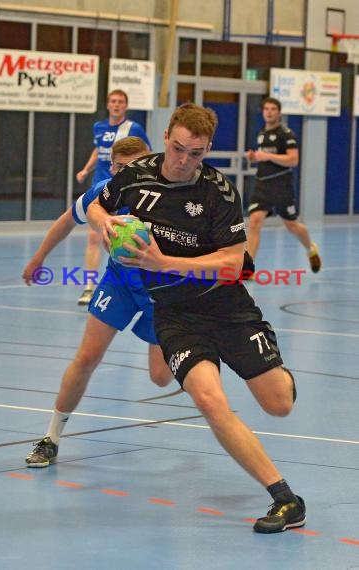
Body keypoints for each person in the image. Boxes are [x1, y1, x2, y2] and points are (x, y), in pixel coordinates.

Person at [86, 102, 306, 534]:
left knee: (278, 404)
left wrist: (161, 261)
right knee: (209, 400)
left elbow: (231, 261)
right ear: (167, 136)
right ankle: (285, 499)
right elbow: (96, 205)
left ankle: (278, 372)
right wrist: (106, 224)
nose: (185, 161)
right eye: (178, 148)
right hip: (174, 315)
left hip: (226, 306)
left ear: (207, 150)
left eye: (197, 153)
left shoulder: (218, 192)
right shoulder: (136, 174)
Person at [24, 137, 173, 469]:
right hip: (119, 282)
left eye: (131, 167)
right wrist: (38, 258)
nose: (123, 174)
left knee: (161, 377)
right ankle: (51, 439)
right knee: (87, 356)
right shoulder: (106, 192)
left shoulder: (169, 197)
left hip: (161, 292)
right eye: (118, 168)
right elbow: (66, 221)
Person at [75, 89, 152, 306]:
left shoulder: (133, 129)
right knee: (93, 237)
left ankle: (133, 283)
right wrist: (86, 169)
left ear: (125, 106)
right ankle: (89, 287)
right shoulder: (98, 127)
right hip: (103, 185)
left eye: (120, 102)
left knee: (123, 235)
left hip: (125, 190)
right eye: (113, 101)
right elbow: (97, 150)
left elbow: (146, 154)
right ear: (108, 105)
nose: (116, 105)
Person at [246, 96, 321, 273]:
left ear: (279, 113)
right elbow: (265, 158)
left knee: (291, 225)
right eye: (266, 109)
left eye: (273, 109)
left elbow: (293, 160)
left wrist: (267, 156)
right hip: (262, 185)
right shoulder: (262, 134)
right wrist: (254, 157)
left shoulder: (286, 134)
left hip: (282, 187)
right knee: (255, 222)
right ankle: (247, 268)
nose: (269, 112)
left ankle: (311, 249)